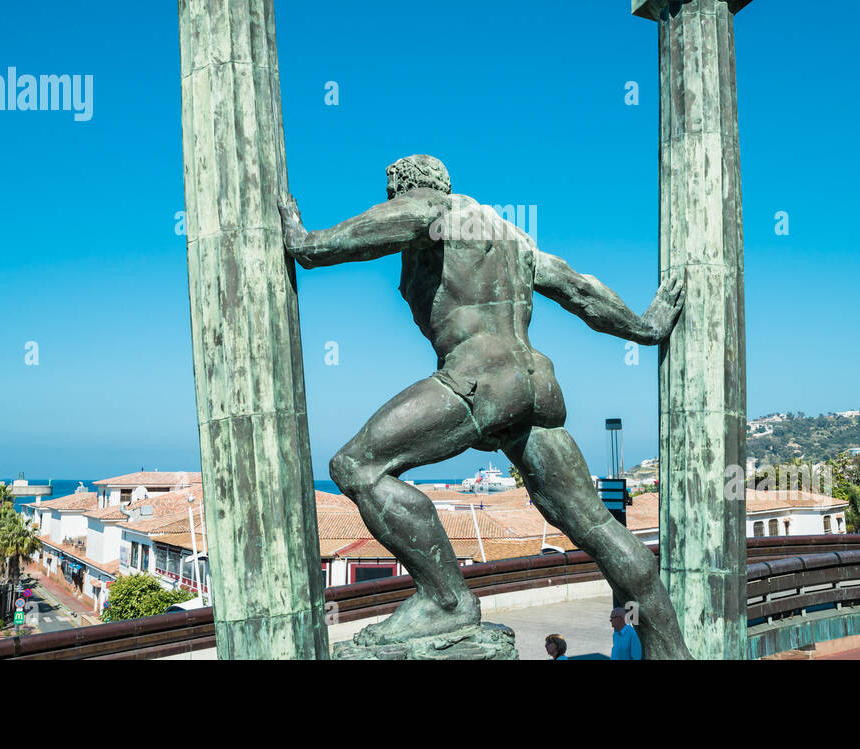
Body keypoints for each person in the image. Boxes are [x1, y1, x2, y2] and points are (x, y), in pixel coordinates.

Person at [279, 155, 690, 659]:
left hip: (478, 379)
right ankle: (671, 652)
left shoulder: (430, 210)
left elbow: (375, 229)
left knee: (356, 466)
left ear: (404, 187)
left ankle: (446, 599)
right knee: (598, 527)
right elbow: (582, 291)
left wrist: (306, 243)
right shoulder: (512, 237)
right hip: (537, 384)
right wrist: (645, 328)